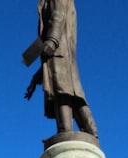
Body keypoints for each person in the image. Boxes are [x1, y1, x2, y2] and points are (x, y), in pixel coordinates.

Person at [24, 0, 99, 138]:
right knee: (69, 92)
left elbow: (57, 15)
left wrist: (52, 40)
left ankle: (66, 131)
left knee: (62, 91)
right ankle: (87, 131)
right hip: (61, 52)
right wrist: (35, 79)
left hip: (60, 51)